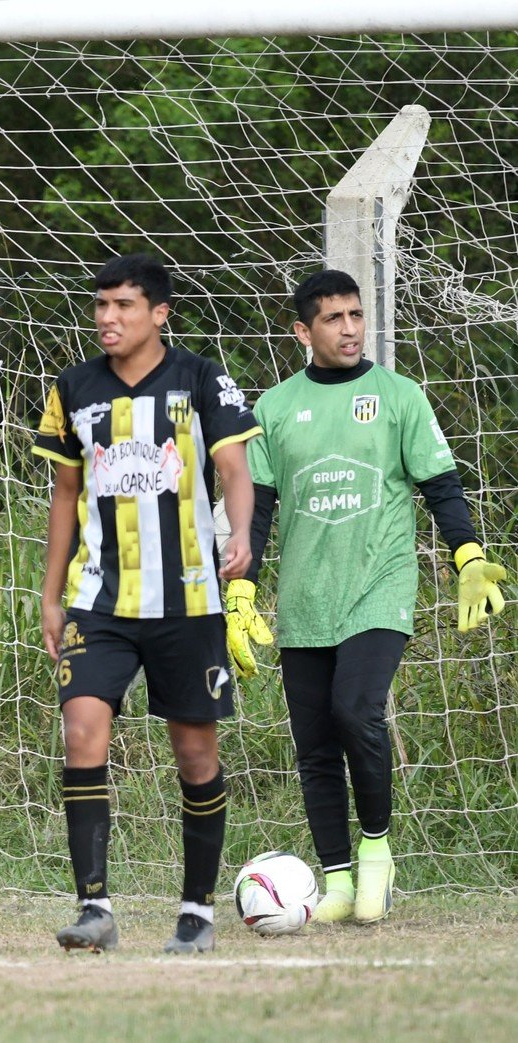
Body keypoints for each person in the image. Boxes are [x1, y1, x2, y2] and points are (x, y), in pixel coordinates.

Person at [229, 269, 506, 923]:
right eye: (333, 318)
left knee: (355, 710)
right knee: (314, 744)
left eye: (355, 314)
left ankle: (376, 851)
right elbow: (256, 510)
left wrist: (466, 554)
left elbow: (440, 485)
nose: (350, 328)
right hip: (304, 598)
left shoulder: (398, 396)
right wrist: (241, 588)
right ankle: (337, 881)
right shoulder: (273, 409)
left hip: (380, 584)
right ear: (303, 331)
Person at [33, 253, 260, 954]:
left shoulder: (201, 378)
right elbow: (65, 494)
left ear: (159, 313)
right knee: (81, 731)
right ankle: (94, 907)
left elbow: (233, 469)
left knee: (194, 754)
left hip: (188, 602)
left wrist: (240, 533)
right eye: (100, 305)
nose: (107, 318)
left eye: (123, 305)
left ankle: (196, 911)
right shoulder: (72, 388)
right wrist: (50, 595)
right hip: (98, 600)